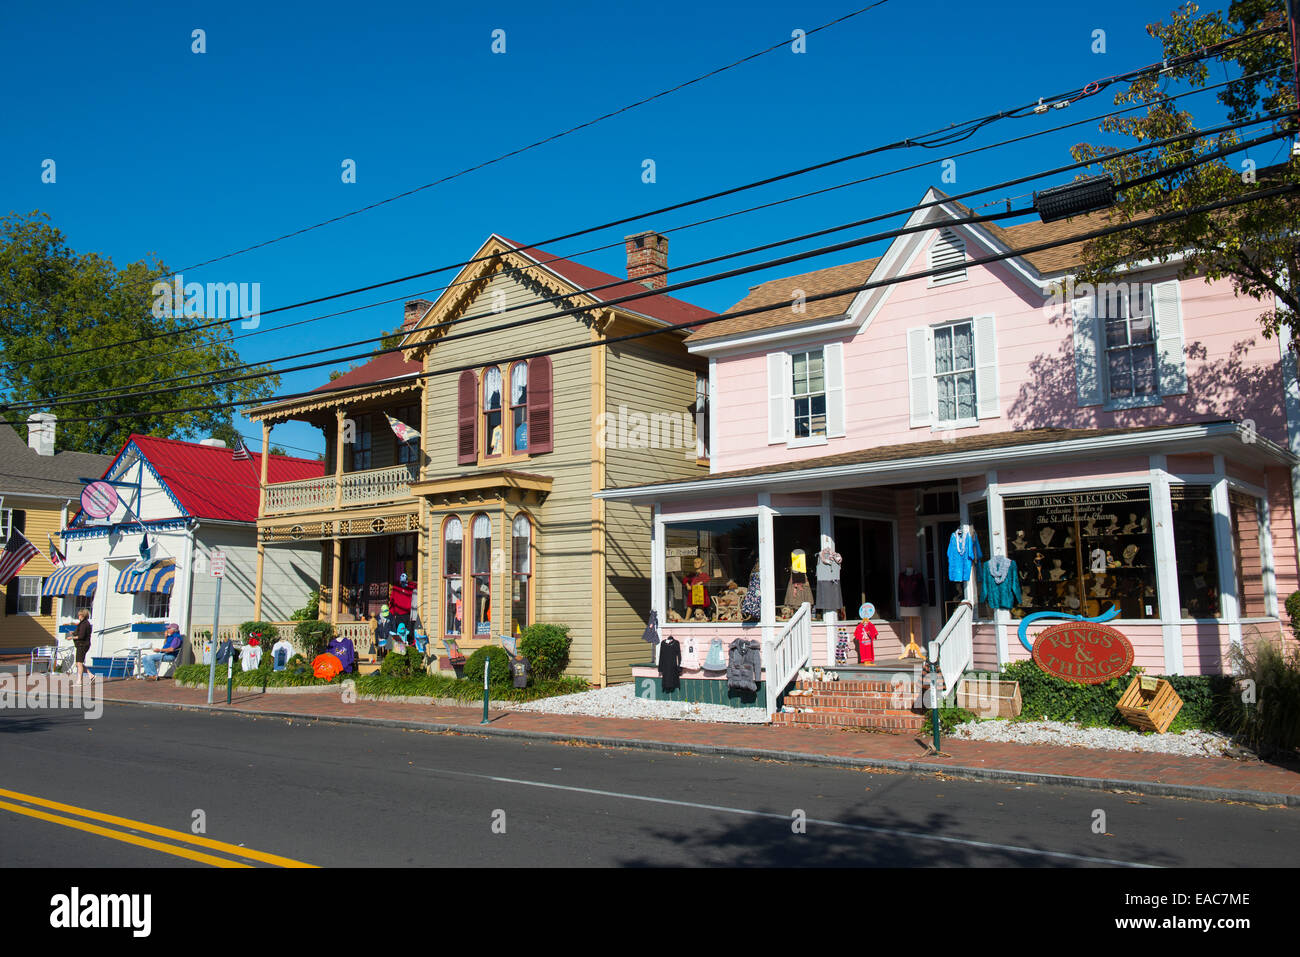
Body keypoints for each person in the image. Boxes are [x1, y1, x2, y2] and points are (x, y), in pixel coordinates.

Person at [72, 608, 94, 684]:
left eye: (79, 615)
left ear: (82, 615)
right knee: (78, 663)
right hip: (83, 644)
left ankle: (79, 680)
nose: (78, 616)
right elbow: (80, 633)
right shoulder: (84, 623)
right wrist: (74, 633)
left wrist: (72, 637)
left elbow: (81, 636)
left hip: (82, 645)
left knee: (79, 663)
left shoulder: (84, 624)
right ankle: (90, 675)